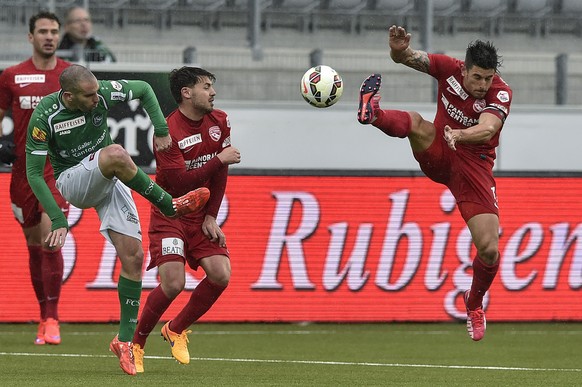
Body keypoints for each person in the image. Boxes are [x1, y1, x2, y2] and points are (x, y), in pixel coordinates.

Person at [25, 64, 210, 375]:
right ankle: (169, 205)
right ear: (68, 96)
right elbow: (34, 174)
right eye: (89, 95)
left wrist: (161, 129)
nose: (98, 98)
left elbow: (144, 89)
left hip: (106, 178)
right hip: (73, 181)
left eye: (98, 91)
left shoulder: (101, 93)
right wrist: (57, 219)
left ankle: (124, 340)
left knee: (134, 258)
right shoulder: (45, 117)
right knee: (116, 154)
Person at [358, 25, 512, 342]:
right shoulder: (448, 68)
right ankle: (373, 114)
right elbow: (405, 58)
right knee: (415, 122)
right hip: (439, 154)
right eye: (477, 77)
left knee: (489, 249)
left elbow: (487, 128)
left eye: (488, 77)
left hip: (474, 169)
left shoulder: (501, 92)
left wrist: (460, 134)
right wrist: (398, 50)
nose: (483, 85)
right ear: (464, 68)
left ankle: (474, 304)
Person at [131, 66, 241, 373]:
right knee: (174, 282)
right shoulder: (167, 133)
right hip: (170, 212)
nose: (213, 92)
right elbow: (179, 184)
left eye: (212, 86)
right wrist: (219, 159)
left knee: (221, 275)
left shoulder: (220, 120)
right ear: (186, 92)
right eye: (206, 86)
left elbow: (220, 174)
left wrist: (211, 217)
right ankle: (136, 344)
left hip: (199, 216)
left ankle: (176, 329)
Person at [0, 11, 71, 346]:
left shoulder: (71, 76)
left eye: (54, 31)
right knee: (33, 246)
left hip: (56, 170)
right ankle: (44, 316)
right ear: (30, 37)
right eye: (42, 31)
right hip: (22, 171)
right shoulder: (12, 76)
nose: (49, 36)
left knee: (49, 236)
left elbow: (92, 116)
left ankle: (53, 318)